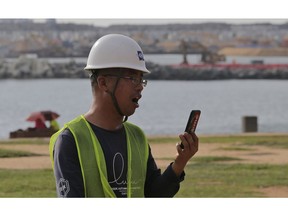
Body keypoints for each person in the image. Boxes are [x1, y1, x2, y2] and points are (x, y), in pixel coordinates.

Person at [49, 34, 199, 197]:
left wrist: (180, 162)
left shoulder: (137, 137)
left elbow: (153, 196)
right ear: (104, 83)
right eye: (132, 78)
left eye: (141, 79)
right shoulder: (71, 140)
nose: (140, 87)